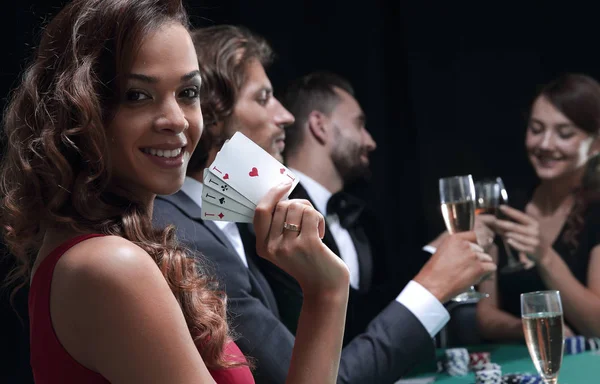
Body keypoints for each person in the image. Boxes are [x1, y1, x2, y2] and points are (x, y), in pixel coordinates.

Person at [0, 1, 351, 382]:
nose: (177, 119)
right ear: (79, 110)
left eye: (188, 92)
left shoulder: (105, 251)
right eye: (137, 95)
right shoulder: (110, 265)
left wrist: (325, 291)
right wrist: (327, 296)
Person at [153, 24, 496, 383]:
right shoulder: (189, 236)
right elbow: (326, 376)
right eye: (263, 97)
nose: (285, 116)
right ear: (214, 113)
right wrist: (433, 289)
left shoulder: (236, 225)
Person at [476, 73, 600, 341]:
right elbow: (485, 315)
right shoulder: (508, 206)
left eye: (564, 134)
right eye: (536, 129)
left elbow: (597, 327)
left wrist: (544, 256)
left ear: (595, 145)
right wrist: (530, 329)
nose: (545, 144)